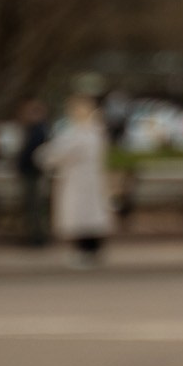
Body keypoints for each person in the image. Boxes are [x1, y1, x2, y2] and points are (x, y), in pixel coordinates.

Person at [37, 92, 112, 263]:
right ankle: (90, 250)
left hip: (78, 180)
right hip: (88, 180)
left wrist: (44, 157)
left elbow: (57, 153)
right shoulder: (96, 133)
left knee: (82, 215)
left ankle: (85, 251)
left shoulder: (80, 134)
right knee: (89, 215)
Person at [13, 99, 51, 248]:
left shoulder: (38, 130)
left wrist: (22, 164)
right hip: (32, 171)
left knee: (34, 204)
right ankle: (36, 235)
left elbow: (32, 153)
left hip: (33, 172)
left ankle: (37, 237)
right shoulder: (36, 129)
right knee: (33, 205)